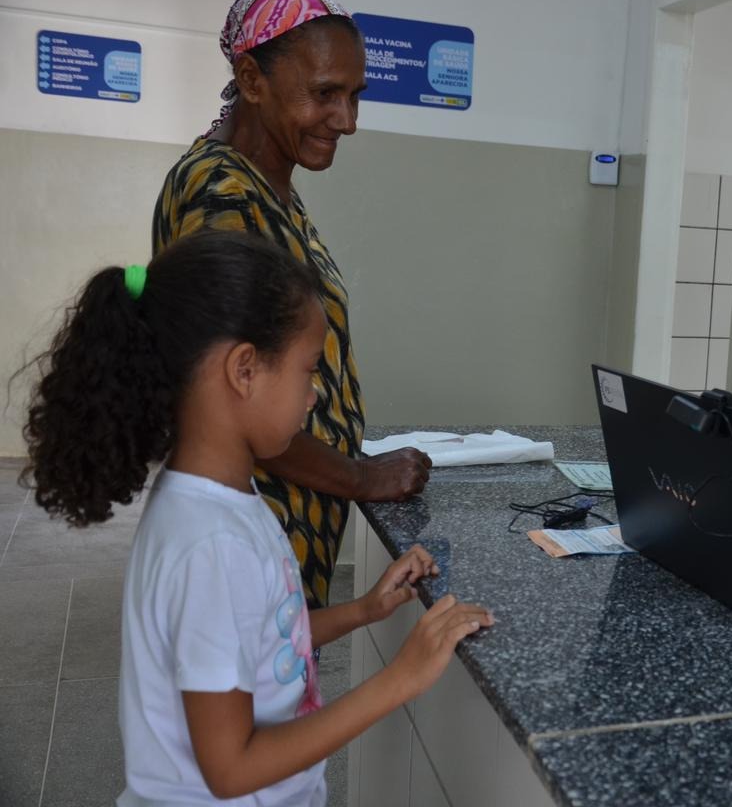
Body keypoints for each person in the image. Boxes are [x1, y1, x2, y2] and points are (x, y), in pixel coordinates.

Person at [21, 232, 493, 804]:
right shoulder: (209, 545)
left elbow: (264, 638)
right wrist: (401, 678)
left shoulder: (220, 499)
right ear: (244, 370)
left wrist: (364, 610)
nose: (314, 394)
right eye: (308, 369)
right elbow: (231, 768)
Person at [153, 0, 429, 608]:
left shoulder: (266, 187)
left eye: (356, 96)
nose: (348, 120)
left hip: (285, 525)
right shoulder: (221, 196)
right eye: (325, 94)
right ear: (251, 80)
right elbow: (232, 392)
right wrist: (360, 476)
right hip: (253, 527)